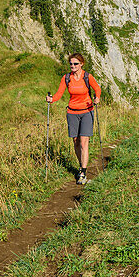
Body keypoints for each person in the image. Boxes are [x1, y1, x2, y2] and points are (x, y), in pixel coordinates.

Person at [47, 53, 101, 184]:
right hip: (72, 112)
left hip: (87, 111)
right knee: (76, 142)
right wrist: (52, 99)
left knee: (83, 142)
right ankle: (80, 165)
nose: (72, 66)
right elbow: (60, 93)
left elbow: (97, 88)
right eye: (71, 63)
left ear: (81, 64)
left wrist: (97, 97)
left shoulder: (87, 77)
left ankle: (83, 171)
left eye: (75, 63)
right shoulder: (66, 78)